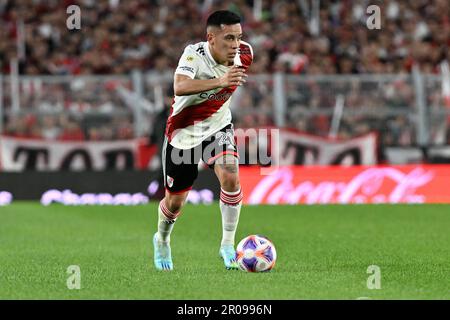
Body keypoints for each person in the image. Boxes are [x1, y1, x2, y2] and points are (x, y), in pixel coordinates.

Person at [153, 10, 253, 271]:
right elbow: (180, 86)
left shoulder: (245, 54)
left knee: (231, 174)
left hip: (217, 127)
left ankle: (228, 244)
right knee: (175, 203)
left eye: (239, 37)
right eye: (228, 38)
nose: (235, 45)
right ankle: (162, 238)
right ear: (211, 38)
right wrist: (220, 80)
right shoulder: (193, 55)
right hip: (183, 134)